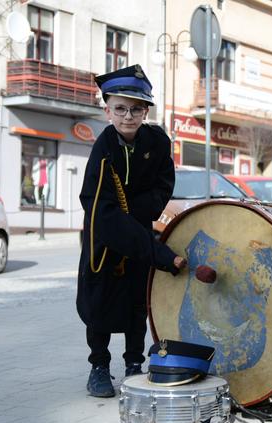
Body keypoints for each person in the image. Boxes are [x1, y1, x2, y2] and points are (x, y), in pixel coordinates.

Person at [76, 64, 186, 398]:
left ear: (146, 111)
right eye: (120, 108)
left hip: (137, 234)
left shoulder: (156, 141)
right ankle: (98, 366)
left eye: (136, 109)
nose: (128, 116)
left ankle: (135, 364)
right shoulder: (103, 149)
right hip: (104, 240)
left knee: (138, 304)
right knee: (100, 304)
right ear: (107, 109)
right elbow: (101, 207)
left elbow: (163, 184)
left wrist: (139, 211)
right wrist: (162, 255)